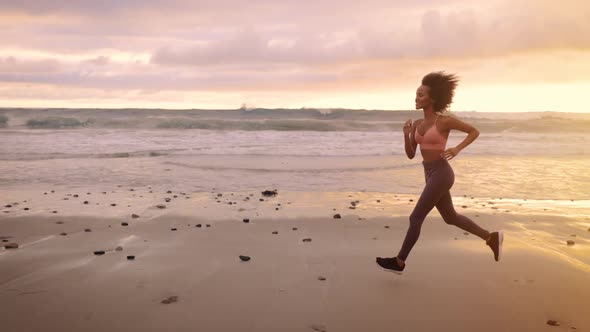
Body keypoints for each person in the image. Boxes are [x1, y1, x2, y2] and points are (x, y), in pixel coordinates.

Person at [376, 71, 503, 274]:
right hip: (429, 173)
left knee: (415, 218)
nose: (416, 98)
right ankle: (491, 237)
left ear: (433, 98)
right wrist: (406, 135)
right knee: (450, 217)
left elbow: (474, 131)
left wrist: (456, 149)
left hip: (442, 174)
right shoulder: (417, 125)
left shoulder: (444, 121)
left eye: (421, 95)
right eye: (416, 94)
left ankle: (399, 262)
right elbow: (411, 154)